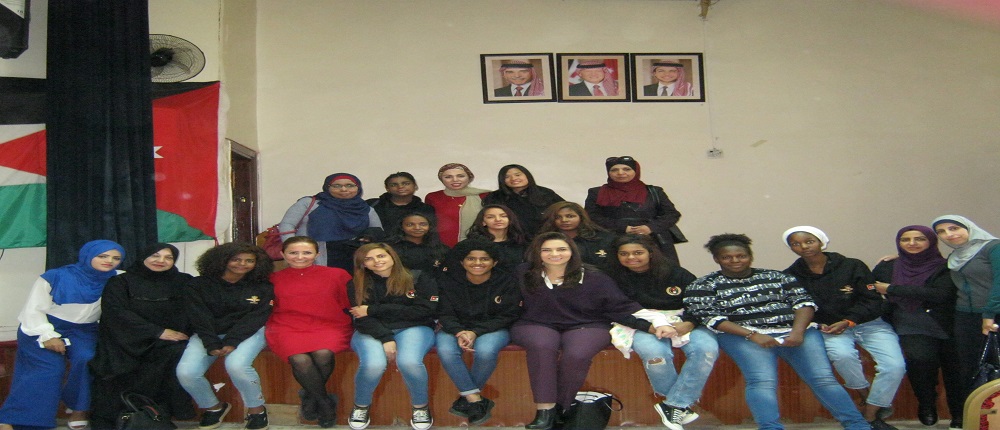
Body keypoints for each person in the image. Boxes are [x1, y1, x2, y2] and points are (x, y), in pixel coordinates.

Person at [683, 233, 870, 430]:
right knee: (761, 381)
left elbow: (804, 304)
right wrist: (753, 335)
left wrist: (797, 332)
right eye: (727, 257)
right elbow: (711, 319)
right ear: (716, 259)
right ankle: (770, 427)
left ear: (750, 256)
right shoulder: (703, 284)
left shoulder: (777, 277)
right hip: (744, 336)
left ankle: (857, 425)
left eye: (741, 256)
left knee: (823, 379)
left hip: (796, 332)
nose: (735, 260)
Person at [510, 232, 673, 430]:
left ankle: (560, 408)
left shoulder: (594, 277)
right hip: (535, 323)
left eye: (561, 249)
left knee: (577, 353)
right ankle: (544, 410)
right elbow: (506, 303)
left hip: (587, 324)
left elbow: (621, 306)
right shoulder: (523, 273)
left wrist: (656, 322)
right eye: (547, 250)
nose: (554, 254)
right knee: (542, 346)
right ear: (537, 252)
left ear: (572, 251)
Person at [781, 226, 905, 430]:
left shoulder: (852, 266)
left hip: (870, 324)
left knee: (895, 366)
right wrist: (820, 324)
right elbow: (798, 308)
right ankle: (865, 396)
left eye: (809, 241)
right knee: (842, 356)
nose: (803, 247)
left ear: (821, 242)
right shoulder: (790, 276)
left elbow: (873, 301)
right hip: (830, 328)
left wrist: (849, 320)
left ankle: (870, 414)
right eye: (796, 244)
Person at [0, 240, 124, 430]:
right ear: (87, 255)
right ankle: (16, 419)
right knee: (49, 368)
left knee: (87, 359)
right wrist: (48, 335)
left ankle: (79, 409)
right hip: (43, 326)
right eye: (102, 256)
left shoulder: (120, 279)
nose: (109, 261)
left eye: (116, 258)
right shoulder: (55, 276)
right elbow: (33, 309)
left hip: (84, 330)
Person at [605, 234, 717, 430]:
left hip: (681, 321)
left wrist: (689, 323)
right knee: (655, 354)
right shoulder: (611, 278)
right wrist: (650, 327)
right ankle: (678, 405)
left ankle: (674, 404)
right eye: (624, 254)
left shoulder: (677, 273)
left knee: (706, 349)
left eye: (638, 252)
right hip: (640, 323)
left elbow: (700, 302)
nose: (631, 257)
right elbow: (614, 310)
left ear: (650, 252)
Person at [89, 243, 195, 430]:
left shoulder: (185, 281)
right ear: (143, 256)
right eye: (155, 255)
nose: (161, 261)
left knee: (176, 354)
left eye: (168, 257)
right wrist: (157, 332)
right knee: (116, 369)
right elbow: (116, 313)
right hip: (125, 341)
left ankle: (154, 419)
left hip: (168, 342)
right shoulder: (121, 282)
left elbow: (194, 310)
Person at [176, 243, 274, 430]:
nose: (242, 264)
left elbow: (256, 318)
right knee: (187, 373)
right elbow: (198, 316)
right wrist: (211, 343)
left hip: (248, 332)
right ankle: (213, 407)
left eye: (249, 261)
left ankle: (256, 410)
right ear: (222, 260)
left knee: (237, 366)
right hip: (208, 333)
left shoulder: (263, 286)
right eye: (236, 259)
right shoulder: (197, 285)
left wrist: (232, 341)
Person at [871, 225, 960, 427]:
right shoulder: (888, 266)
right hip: (910, 323)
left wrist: (892, 289)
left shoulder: (946, 266)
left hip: (947, 323)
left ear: (931, 242)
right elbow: (870, 289)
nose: (912, 243)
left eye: (919, 239)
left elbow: (941, 294)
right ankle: (927, 404)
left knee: (955, 371)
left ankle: (959, 415)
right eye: (905, 239)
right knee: (920, 363)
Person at [346, 243, 438, 430]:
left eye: (381, 256)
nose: (376, 261)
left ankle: (420, 407)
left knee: (409, 362)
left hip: (415, 328)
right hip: (372, 330)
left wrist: (373, 309)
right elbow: (361, 318)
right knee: (373, 364)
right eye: (369, 259)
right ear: (362, 264)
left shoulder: (419, 277)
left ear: (392, 256)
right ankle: (361, 406)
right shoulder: (356, 284)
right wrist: (386, 338)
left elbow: (425, 311)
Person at [266, 236, 353, 428]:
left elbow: (350, 303)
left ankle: (311, 397)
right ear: (283, 254)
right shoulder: (272, 279)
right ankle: (325, 403)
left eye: (306, 252)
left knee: (323, 354)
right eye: (293, 253)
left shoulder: (337, 274)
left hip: (329, 324)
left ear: (317, 254)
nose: (300, 257)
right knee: (299, 359)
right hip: (287, 325)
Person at [436, 240, 521, 426]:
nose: (477, 263)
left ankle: (467, 399)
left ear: (494, 262)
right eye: (471, 259)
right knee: (446, 351)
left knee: (486, 351)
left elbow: (509, 314)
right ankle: (475, 400)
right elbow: (444, 313)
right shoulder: (449, 281)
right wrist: (459, 331)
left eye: (484, 259)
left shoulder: (507, 281)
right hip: (455, 328)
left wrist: (475, 331)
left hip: (493, 328)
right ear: (462, 262)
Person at [931, 214, 1000, 429]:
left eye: (954, 228)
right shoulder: (957, 254)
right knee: (969, 368)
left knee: (995, 366)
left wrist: (988, 314)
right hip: (965, 316)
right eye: (941, 232)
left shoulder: (993, 248)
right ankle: (976, 419)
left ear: (969, 228)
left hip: (993, 315)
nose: (948, 234)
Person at [585, 156, 683, 264]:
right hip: (613, 241)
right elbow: (591, 217)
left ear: (636, 171)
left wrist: (650, 228)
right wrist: (623, 227)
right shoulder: (596, 193)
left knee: (661, 271)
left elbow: (672, 214)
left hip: (654, 241)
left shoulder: (654, 192)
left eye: (626, 169)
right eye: (614, 170)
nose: (620, 173)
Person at [278, 172, 383, 270]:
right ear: (327, 187)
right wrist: (294, 248)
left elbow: (377, 231)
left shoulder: (366, 209)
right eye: (336, 186)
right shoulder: (310, 203)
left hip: (353, 254)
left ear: (358, 187)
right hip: (317, 253)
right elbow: (287, 224)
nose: (343, 189)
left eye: (350, 185)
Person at [483, 164, 564, 236]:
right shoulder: (495, 197)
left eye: (517, 175)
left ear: (527, 176)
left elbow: (564, 209)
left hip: (545, 236)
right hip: (511, 238)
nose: (513, 178)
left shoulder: (545, 193)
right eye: (507, 177)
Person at [424, 163, 490, 247]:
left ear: (469, 177)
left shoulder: (484, 196)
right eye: (448, 177)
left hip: (477, 245)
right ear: (441, 179)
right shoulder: (433, 197)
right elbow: (428, 223)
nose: (455, 180)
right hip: (442, 246)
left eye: (461, 176)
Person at [538, 201, 616, 268]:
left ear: (581, 217)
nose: (564, 220)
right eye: (558, 217)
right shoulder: (544, 240)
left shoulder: (602, 238)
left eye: (570, 216)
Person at [465, 204, 529, 271]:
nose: (498, 219)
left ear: (510, 220)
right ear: (483, 222)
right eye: (490, 217)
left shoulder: (520, 242)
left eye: (503, 216)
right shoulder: (472, 244)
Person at [366, 172, 436, 232]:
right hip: (379, 243)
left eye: (406, 183)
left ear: (415, 186)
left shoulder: (426, 209)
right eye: (393, 185)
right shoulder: (373, 205)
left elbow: (430, 232)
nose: (400, 187)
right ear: (387, 188)